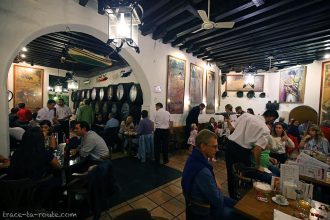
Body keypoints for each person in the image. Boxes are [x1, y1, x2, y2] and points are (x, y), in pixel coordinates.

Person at [181, 129, 240, 219]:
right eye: (214, 146)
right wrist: (218, 187)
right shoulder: (203, 171)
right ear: (203, 146)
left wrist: (214, 181)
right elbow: (217, 201)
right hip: (203, 210)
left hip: (197, 202)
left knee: (237, 204)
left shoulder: (194, 158)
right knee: (239, 213)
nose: (217, 149)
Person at [225, 109, 279, 198]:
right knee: (249, 172)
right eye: (273, 121)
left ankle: (233, 196)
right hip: (243, 152)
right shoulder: (265, 129)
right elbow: (257, 149)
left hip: (230, 146)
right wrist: (258, 166)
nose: (271, 123)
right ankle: (248, 197)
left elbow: (232, 129)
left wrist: (229, 123)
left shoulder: (246, 115)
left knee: (230, 173)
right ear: (271, 118)